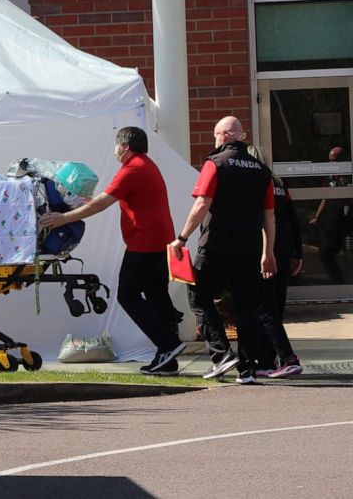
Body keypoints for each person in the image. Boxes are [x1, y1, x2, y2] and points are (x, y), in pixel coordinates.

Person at [41, 127, 184, 376]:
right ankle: (168, 357)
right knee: (156, 295)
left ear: (125, 147)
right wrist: (82, 205)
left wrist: (64, 218)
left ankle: (168, 343)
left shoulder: (132, 169)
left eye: (117, 146)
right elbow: (106, 197)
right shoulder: (145, 165)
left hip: (144, 243)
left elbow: (102, 203)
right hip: (160, 241)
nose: (115, 150)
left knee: (128, 295)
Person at [170, 116, 293, 384]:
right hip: (249, 249)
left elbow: (202, 203)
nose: (215, 140)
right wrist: (268, 252)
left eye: (216, 135)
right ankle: (247, 369)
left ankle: (221, 354)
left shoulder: (215, 163)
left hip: (215, 245)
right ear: (241, 136)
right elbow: (269, 217)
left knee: (198, 296)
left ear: (224, 136)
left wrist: (182, 238)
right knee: (246, 307)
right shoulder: (262, 170)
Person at [248, 144, 303, 377]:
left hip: (266, 251)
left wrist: (263, 252)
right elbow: (293, 219)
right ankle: (267, 361)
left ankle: (283, 358)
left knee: (264, 306)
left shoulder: (257, 183)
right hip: (283, 249)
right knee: (275, 306)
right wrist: (297, 253)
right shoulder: (279, 183)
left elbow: (262, 219)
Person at [309, 146, 349, 284]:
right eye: (330, 161)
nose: (332, 164)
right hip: (331, 218)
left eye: (335, 161)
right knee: (325, 251)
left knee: (327, 251)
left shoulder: (347, 176)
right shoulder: (330, 176)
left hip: (343, 219)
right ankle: (338, 282)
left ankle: (340, 284)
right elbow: (325, 196)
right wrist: (318, 216)